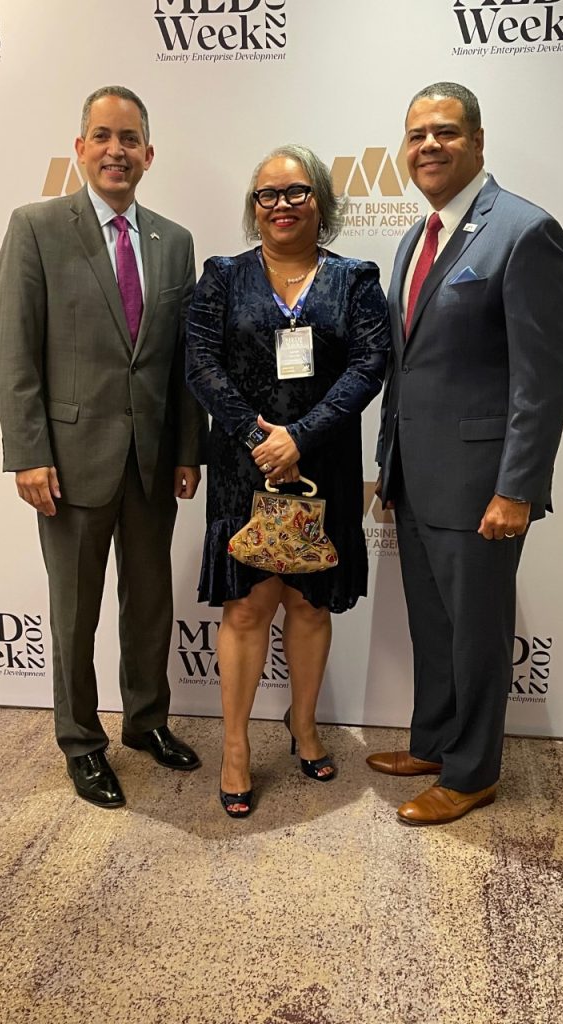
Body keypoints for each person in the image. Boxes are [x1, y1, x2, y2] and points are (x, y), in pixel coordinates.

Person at [0, 86, 208, 808]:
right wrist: (27, 452)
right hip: (69, 463)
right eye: (102, 136)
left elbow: (182, 361)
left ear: (149, 154)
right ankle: (82, 742)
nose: (117, 150)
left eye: (130, 139)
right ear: (80, 148)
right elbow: (17, 352)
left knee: (149, 604)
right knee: (74, 611)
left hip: (152, 462)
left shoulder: (174, 242)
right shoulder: (37, 227)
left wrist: (188, 448)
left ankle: (146, 721)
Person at [368, 82, 563, 825]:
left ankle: (473, 772)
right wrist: (387, 463)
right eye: (417, 132)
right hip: (417, 479)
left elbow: (542, 380)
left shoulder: (524, 232)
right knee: (434, 625)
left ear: (479, 142)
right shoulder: (415, 237)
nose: (429, 145)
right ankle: (433, 741)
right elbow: (411, 364)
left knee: (479, 631)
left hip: (483, 483)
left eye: (446, 132)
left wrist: (517, 487)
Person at [186, 145, 390, 818]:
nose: (281, 205)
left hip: (322, 464)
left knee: (308, 604)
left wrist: (298, 438)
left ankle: (304, 727)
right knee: (246, 609)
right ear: (253, 207)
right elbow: (201, 366)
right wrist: (259, 437)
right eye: (267, 195)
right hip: (244, 469)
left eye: (297, 192)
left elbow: (368, 364)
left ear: (322, 203)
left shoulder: (356, 279)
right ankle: (238, 747)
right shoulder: (222, 276)